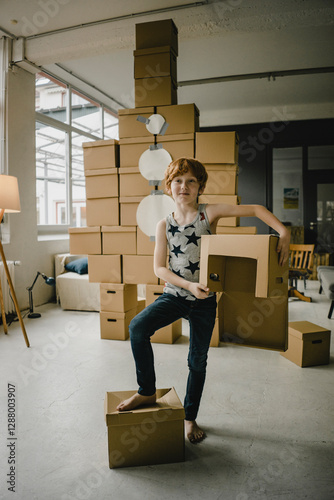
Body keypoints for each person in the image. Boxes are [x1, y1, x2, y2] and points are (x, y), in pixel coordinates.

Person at [117, 157, 290, 444]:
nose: (183, 186)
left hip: (205, 302)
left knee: (197, 361)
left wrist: (283, 231)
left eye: (191, 181)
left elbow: (256, 209)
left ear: (200, 187)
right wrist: (186, 284)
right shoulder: (164, 225)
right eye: (178, 181)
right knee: (137, 328)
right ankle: (147, 390)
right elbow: (160, 268)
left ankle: (189, 416)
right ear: (168, 187)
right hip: (175, 296)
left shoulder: (208, 214)